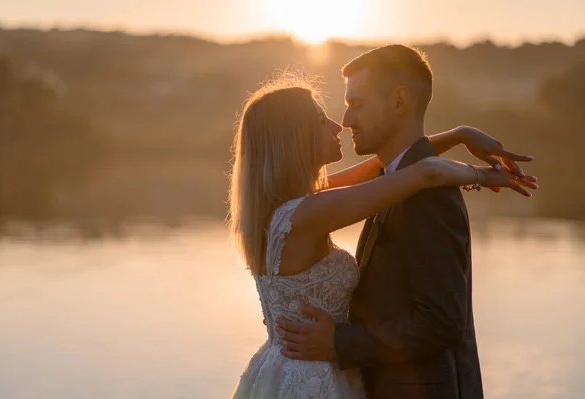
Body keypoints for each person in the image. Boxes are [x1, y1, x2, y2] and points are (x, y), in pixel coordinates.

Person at [230, 62, 537, 398]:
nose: (339, 124)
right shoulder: (307, 213)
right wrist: (480, 176)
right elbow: (425, 174)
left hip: (284, 368)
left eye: (355, 106)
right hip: (311, 379)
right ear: (292, 139)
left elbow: (383, 166)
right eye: (321, 121)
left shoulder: (284, 209)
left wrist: (459, 135)